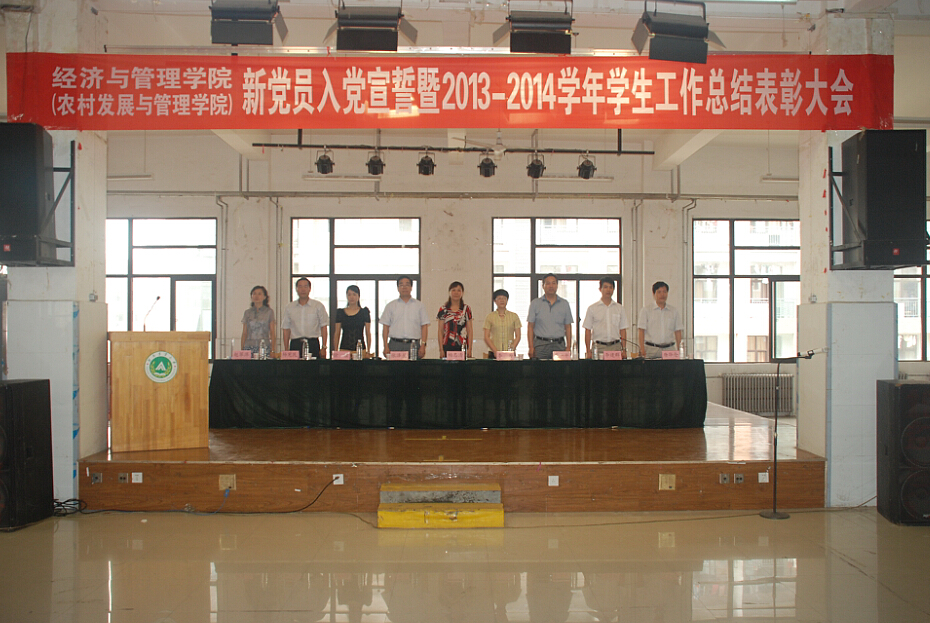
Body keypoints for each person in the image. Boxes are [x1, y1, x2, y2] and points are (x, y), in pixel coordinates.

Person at [381, 275, 430, 359]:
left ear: (411, 287)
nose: (404, 287)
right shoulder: (390, 306)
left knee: (413, 368)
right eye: (401, 285)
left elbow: (424, 326)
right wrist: (385, 346)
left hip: (413, 345)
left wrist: (423, 345)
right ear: (398, 288)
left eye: (407, 284)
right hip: (395, 345)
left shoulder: (419, 306)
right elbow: (385, 327)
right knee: (394, 368)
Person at [526, 273, 573, 360]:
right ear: (543, 286)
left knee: (560, 369)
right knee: (539, 368)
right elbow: (530, 326)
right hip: (540, 345)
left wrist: (568, 347)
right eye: (548, 283)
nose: (551, 286)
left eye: (553, 283)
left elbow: (568, 327)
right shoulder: (535, 303)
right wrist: (531, 347)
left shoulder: (564, 304)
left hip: (559, 345)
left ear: (557, 285)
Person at [281, 277, 329, 358]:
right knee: (294, 366)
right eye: (300, 286)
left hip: (313, 343)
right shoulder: (289, 307)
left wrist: (324, 347)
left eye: (305, 286)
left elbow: (324, 326)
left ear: (309, 289)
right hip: (295, 344)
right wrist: (286, 349)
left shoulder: (318, 306)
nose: (303, 289)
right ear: (296, 289)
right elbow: (286, 328)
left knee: (313, 366)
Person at [582, 277, 629, 359]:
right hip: (599, 347)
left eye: (611, 287)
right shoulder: (592, 308)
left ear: (613, 289)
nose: (608, 290)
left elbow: (623, 330)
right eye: (606, 287)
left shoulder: (619, 308)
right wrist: (588, 350)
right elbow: (588, 330)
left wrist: (624, 349)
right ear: (600, 289)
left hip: (615, 347)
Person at [638, 281, 683, 359]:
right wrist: (642, 349)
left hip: (669, 349)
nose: (662, 295)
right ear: (654, 294)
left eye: (664, 292)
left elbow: (678, 331)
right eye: (659, 292)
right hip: (651, 349)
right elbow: (641, 331)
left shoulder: (674, 311)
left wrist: (679, 350)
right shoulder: (646, 310)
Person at [436, 281, 474, 358]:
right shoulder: (443, 309)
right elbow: (440, 330)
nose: (456, 293)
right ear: (449, 292)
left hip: (462, 346)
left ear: (462, 293)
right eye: (453, 290)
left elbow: (470, 330)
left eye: (459, 290)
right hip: (447, 345)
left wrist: (470, 348)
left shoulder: (466, 309)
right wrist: (441, 349)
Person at [483, 288, 522, 358]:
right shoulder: (490, 317)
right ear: (495, 301)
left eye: (504, 298)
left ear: (507, 300)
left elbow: (518, 336)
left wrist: (512, 349)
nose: (502, 300)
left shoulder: (514, 316)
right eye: (499, 298)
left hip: (509, 353)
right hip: (493, 353)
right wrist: (495, 351)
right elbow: (486, 337)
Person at [333, 285, 372, 354]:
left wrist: (368, 350)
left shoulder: (364, 312)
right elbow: (337, 333)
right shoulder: (340, 312)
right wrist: (336, 350)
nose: (352, 297)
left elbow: (368, 333)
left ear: (358, 296)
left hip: (360, 349)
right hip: (344, 349)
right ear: (346, 296)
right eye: (349, 295)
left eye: (354, 294)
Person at [241, 285, 276, 354]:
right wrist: (242, 349)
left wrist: (273, 350)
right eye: (254, 294)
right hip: (249, 346)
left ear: (264, 297)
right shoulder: (247, 312)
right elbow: (244, 332)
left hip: (264, 346)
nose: (256, 296)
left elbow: (272, 332)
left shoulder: (269, 312)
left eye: (259, 294)